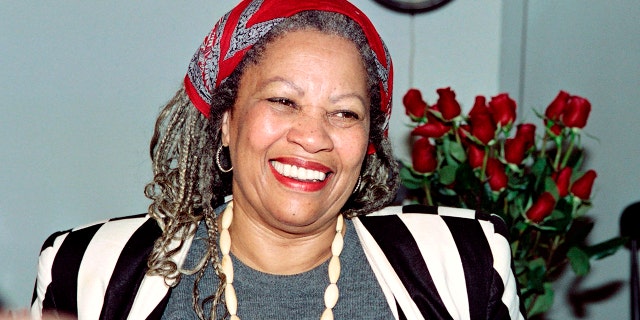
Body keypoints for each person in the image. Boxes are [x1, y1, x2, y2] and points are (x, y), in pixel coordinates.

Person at [30, 0, 526, 319]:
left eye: (345, 113)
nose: (313, 137)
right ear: (225, 119)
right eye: (283, 101)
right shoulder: (89, 270)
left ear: (368, 142)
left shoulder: (463, 264)